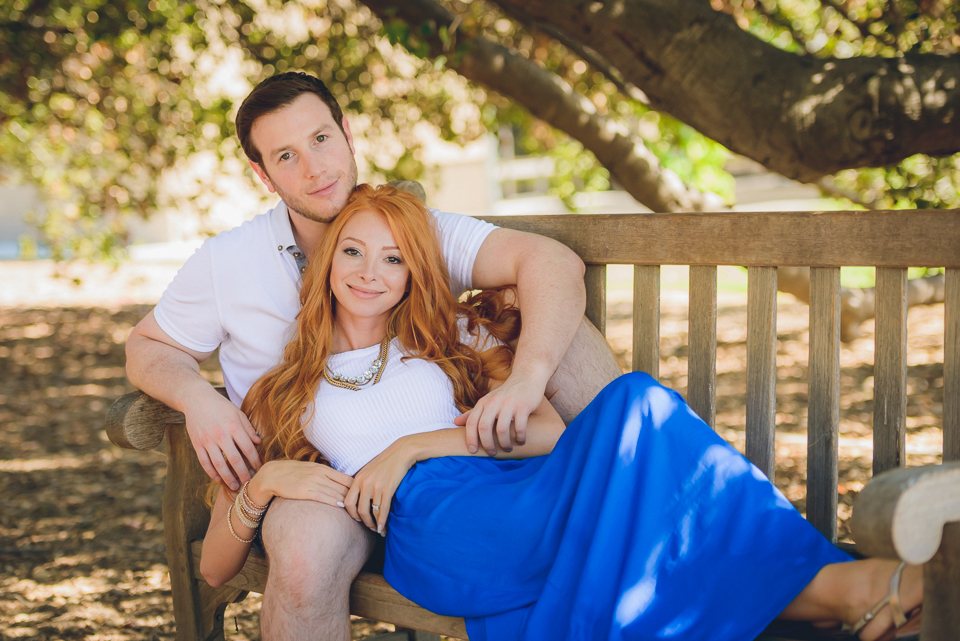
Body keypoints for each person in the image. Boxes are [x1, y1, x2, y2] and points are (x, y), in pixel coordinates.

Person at [200, 184, 922, 641]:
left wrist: (412, 444)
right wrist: (264, 485)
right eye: (352, 250)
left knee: (638, 401)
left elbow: (548, 430)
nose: (368, 271)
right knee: (644, 444)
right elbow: (213, 568)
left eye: (393, 259)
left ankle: (850, 590)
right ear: (325, 263)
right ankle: (850, 586)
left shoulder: (452, 337)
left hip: (522, 489)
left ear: (415, 272)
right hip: (442, 529)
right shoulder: (286, 386)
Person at [125, 73, 620, 637]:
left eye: (320, 139)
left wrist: (525, 380)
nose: (315, 168)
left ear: (347, 133)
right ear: (262, 175)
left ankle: (615, 480)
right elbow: (148, 345)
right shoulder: (230, 268)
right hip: (318, 486)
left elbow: (551, 265)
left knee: (576, 344)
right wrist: (200, 403)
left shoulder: (423, 251)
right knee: (312, 545)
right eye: (286, 155)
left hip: (487, 480)